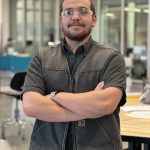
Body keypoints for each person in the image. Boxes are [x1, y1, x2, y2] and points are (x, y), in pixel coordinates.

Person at [22, 0, 126, 149]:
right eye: (68, 12)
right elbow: (31, 106)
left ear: (94, 19)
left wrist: (55, 96)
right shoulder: (41, 57)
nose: (75, 17)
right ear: (61, 20)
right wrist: (89, 109)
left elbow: (105, 104)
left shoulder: (112, 58)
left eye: (83, 11)